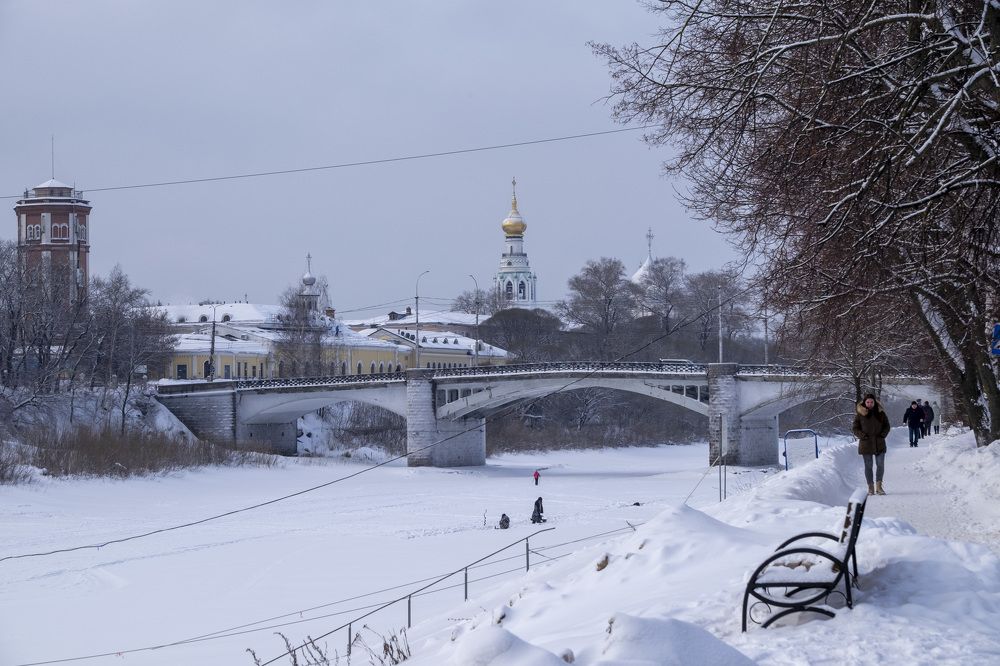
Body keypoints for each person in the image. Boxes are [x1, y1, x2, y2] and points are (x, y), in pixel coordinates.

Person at [853, 393, 891, 495]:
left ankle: (879, 487)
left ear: (874, 402)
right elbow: (855, 428)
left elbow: (887, 426)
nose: (869, 404)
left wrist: (883, 435)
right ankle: (870, 487)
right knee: (868, 466)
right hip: (866, 444)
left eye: (871, 402)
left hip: (880, 443)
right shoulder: (860, 414)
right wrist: (862, 435)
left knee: (880, 465)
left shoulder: (881, 413)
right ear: (865, 403)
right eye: (868, 402)